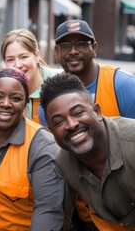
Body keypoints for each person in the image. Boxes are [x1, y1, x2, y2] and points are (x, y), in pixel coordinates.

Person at [0, 67, 64, 230]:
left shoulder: (42, 147)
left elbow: (48, 211)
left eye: (15, 98)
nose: (5, 104)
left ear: (26, 102)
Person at [40, 72, 135, 230]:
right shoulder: (63, 162)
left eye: (78, 113)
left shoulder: (131, 142)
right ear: (51, 132)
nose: (71, 124)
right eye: (58, 122)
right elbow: (57, 216)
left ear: (97, 111)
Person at [39, 19, 135, 126]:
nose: (73, 51)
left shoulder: (124, 85)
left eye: (81, 44)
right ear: (57, 51)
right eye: (65, 46)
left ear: (94, 48)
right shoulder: (50, 94)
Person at [1, 29, 62, 123]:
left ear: (37, 55)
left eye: (23, 57)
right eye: (10, 60)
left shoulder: (61, 81)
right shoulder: (2, 90)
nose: (17, 65)